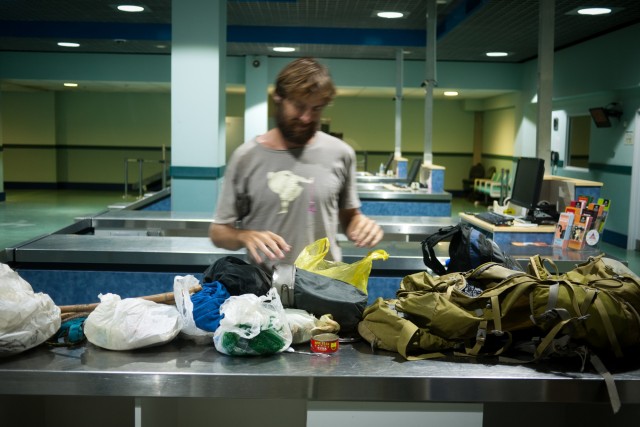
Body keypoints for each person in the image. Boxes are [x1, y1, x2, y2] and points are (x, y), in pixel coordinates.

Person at [209, 57, 383, 271]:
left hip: (325, 287)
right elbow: (219, 232)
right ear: (278, 98)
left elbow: (349, 217)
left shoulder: (341, 153)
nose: (306, 118)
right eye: (299, 106)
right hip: (263, 289)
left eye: (316, 109)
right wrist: (243, 235)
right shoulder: (245, 157)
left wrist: (361, 225)